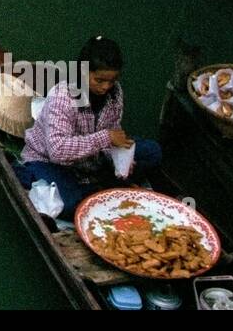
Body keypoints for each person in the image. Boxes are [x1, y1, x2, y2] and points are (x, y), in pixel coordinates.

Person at [15, 36, 162, 216]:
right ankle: (32, 174)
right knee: (70, 205)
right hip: (50, 160)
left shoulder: (115, 94)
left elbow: (113, 132)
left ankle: (98, 185)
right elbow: (58, 150)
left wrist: (120, 159)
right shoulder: (63, 97)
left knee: (152, 152)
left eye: (112, 80)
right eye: (99, 81)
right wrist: (106, 138)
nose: (106, 87)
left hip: (92, 160)